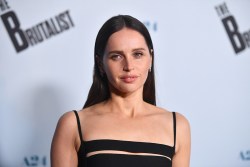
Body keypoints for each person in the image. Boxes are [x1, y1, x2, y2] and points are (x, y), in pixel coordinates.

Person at [51, 15, 191, 167]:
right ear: (100, 64)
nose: (129, 66)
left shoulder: (177, 126)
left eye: (138, 54)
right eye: (116, 56)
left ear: (150, 58)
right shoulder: (73, 124)